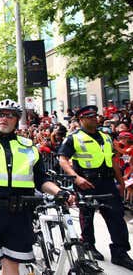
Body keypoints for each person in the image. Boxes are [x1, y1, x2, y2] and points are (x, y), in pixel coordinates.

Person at [0, 99, 69, 275]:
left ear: (17, 119)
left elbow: (41, 179)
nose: (4, 119)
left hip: (20, 213)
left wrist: (59, 192)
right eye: (0, 115)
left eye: (10, 115)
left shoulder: (28, 146)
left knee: (13, 263)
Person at [58, 105, 133, 270]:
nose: (94, 118)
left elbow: (113, 160)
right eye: (90, 116)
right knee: (87, 215)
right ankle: (89, 245)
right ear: (81, 120)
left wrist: (120, 183)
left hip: (107, 182)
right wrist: (76, 178)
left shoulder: (106, 137)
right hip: (87, 182)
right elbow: (62, 159)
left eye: (95, 116)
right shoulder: (73, 138)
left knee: (116, 216)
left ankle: (120, 252)